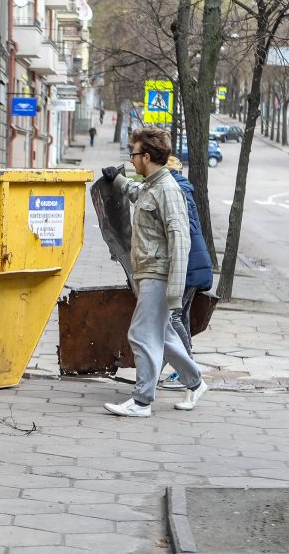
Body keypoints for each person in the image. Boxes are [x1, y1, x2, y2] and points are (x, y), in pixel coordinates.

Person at [101, 128, 208, 417]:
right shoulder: (153, 184)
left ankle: (142, 401)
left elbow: (180, 240)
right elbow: (138, 195)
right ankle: (195, 382)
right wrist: (119, 180)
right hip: (149, 271)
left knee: (141, 333)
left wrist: (175, 292)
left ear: (146, 156)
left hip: (158, 274)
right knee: (164, 335)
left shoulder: (169, 190)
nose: (132, 159)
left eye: (134, 154)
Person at [160, 156, 213, 389]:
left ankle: (189, 371)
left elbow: (178, 234)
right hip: (194, 263)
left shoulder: (175, 192)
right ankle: (180, 371)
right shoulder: (184, 189)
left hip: (187, 265)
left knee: (172, 318)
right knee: (179, 318)